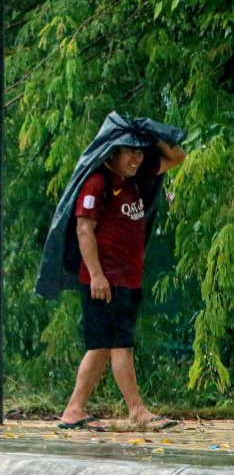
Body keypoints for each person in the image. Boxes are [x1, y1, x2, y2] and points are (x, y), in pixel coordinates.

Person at [44, 115, 186, 431]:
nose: (137, 157)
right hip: (104, 281)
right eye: (130, 151)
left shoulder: (134, 177)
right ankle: (137, 411)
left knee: (102, 346)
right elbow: (84, 230)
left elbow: (177, 156)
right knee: (119, 343)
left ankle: (74, 410)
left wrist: (150, 133)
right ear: (112, 153)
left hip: (126, 278)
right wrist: (96, 275)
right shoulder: (98, 182)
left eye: (140, 151)